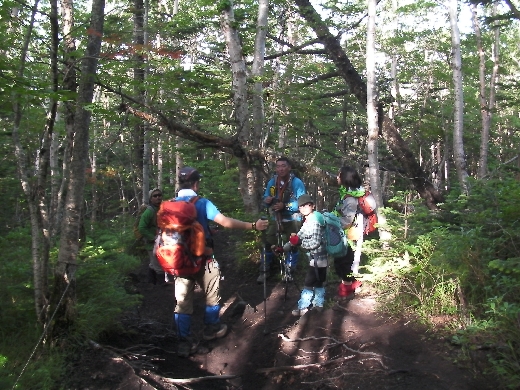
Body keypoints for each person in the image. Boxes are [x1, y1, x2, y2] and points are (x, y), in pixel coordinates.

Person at [173, 166, 269, 358]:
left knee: (182, 303)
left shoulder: (170, 204)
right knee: (212, 296)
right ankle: (211, 329)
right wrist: (253, 226)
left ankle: (184, 342)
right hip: (203, 259)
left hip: (179, 260)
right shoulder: (202, 203)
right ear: (196, 183)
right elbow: (225, 222)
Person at [257, 157, 307, 283]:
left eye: (283, 166)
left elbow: (303, 202)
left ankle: (290, 270)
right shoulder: (272, 182)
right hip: (276, 217)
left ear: (289, 167)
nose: (280, 169)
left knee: (293, 243)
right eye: (278, 166)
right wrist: (267, 200)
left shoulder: (297, 183)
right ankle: (265, 270)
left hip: (292, 218)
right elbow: (265, 196)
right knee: (268, 241)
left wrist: (286, 206)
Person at [333, 166, 375, 299]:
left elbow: (347, 221)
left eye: (339, 176)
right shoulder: (351, 193)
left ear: (345, 178)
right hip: (352, 233)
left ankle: (346, 291)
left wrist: (331, 221)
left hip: (351, 234)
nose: (337, 178)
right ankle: (352, 284)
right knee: (348, 261)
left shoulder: (350, 198)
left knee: (344, 262)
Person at [283, 194, 328, 316]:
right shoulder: (308, 221)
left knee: (308, 284)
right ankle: (319, 305)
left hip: (318, 259)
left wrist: (300, 244)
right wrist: (284, 248)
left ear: (312, 206)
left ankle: (303, 307)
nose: (302, 208)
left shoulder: (315, 221)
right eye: (300, 206)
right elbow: (299, 236)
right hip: (317, 259)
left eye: (305, 205)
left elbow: (315, 242)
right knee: (319, 282)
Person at [138, 187, 168, 285]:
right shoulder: (149, 212)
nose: (158, 197)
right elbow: (142, 227)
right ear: (151, 198)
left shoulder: (161, 209)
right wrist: (153, 238)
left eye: (160, 195)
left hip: (159, 240)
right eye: (155, 196)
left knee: (153, 263)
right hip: (152, 242)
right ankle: (161, 285)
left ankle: (150, 282)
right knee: (158, 264)